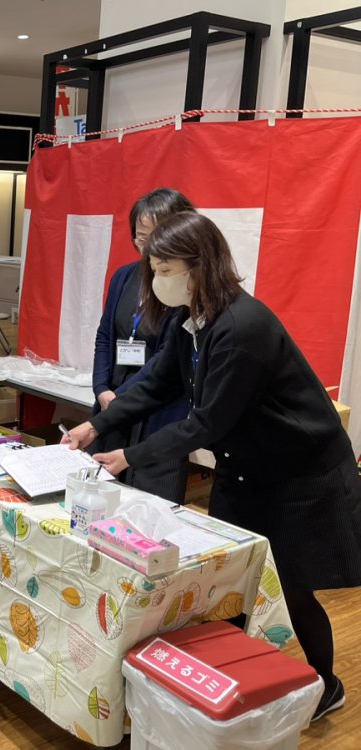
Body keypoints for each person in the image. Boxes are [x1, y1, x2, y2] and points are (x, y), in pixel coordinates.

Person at [63, 211, 361, 722]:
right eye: (154, 268)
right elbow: (157, 383)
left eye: (165, 269)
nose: (158, 280)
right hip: (246, 465)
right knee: (232, 575)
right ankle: (234, 680)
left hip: (300, 474)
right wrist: (97, 424)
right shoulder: (193, 320)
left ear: (199, 265)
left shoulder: (243, 328)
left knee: (291, 583)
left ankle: (326, 685)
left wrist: (129, 456)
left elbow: (206, 423)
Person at [90, 188, 194, 502]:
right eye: (140, 237)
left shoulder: (180, 286)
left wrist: (120, 398)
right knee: (100, 499)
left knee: (147, 508)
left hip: (157, 411)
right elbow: (105, 335)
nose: (147, 247)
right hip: (112, 404)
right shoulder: (124, 277)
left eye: (155, 237)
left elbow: (167, 359)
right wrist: (101, 388)